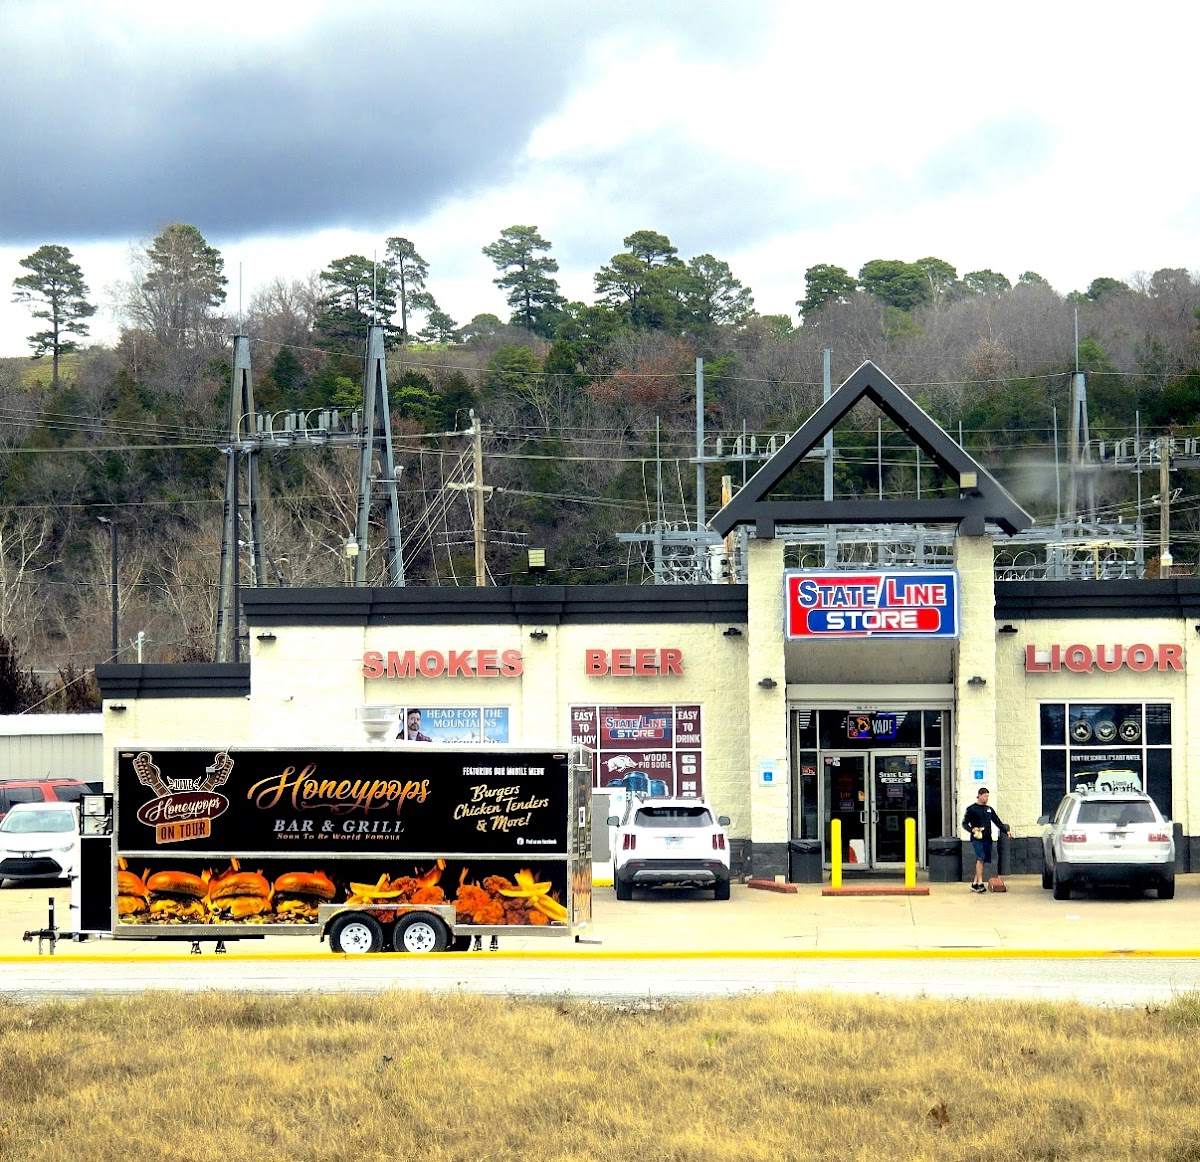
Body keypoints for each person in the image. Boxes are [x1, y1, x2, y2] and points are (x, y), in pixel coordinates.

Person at [961, 787, 1012, 893]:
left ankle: (974, 883)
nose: (986, 798)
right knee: (980, 858)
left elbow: (997, 821)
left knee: (983, 860)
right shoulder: (972, 809)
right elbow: (964, 823)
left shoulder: (988, 809)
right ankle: (980, 883)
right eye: (985, 796)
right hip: (977, 838)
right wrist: (972, 830)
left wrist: (1005, 831)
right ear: (979, 796)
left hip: (988, 838)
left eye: (988, 796)